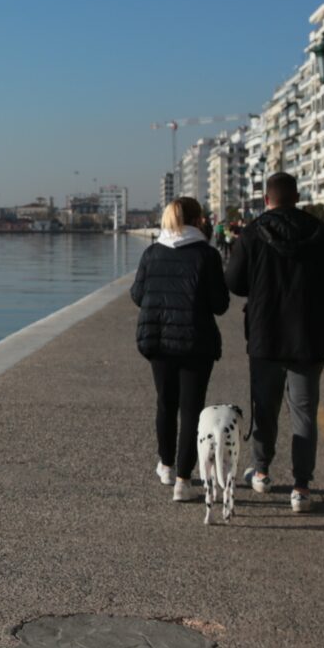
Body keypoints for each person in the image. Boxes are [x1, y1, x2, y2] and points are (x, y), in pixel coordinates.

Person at [223, 172, 324, 513]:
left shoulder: (251, 234)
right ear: (297, 198)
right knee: (304, 413)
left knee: (265, 408)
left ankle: (261, 472)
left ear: (267, 199)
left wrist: (259, 281)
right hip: (310, 336)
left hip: (266, 335)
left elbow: (234, 283)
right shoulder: (322, 235)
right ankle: (301, 487)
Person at [130, 197, 230, 503]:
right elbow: (220, 304)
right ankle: (184, 483)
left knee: (165, 403)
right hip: (195, 342)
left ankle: (166, 465)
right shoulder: (207, 255)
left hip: (159, 340)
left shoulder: (152, 252)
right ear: (199, 220)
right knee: (191, 411)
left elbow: (137, 295)